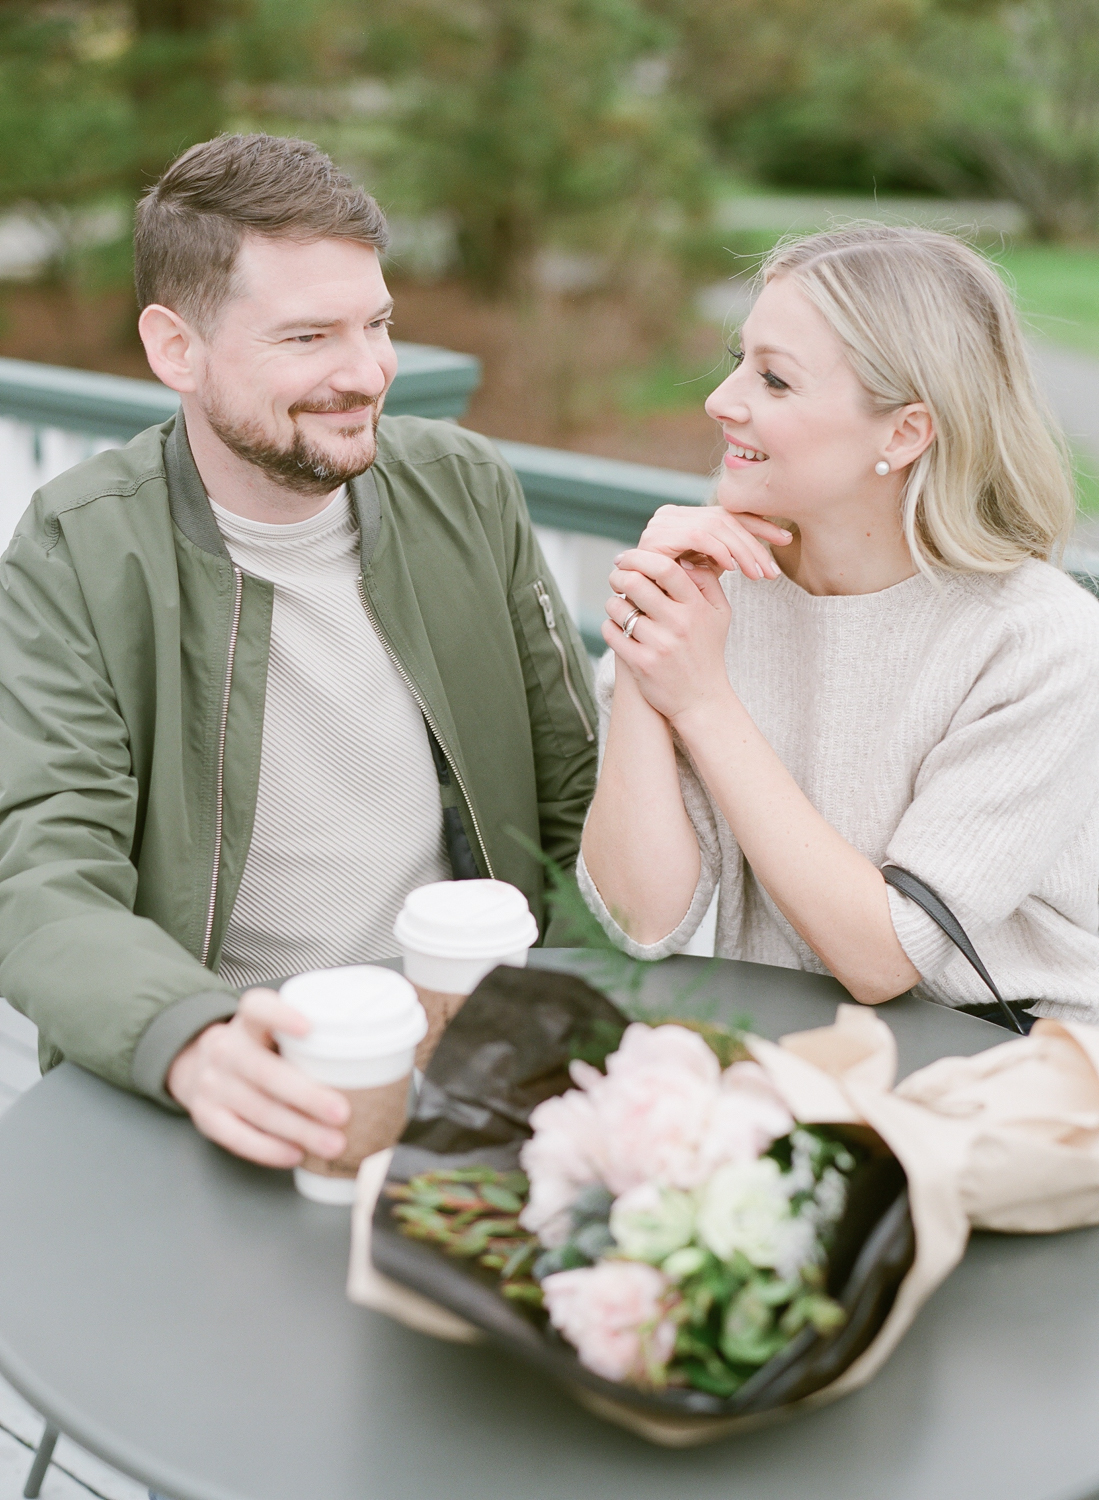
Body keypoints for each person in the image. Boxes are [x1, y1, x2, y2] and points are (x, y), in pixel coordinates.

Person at [0, 133, 596, 1169]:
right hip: (233, 1065)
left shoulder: (464, 486)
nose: (365, 373)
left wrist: (585, 1024)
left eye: (377, 324)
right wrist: (189, 1038)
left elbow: (575, 797)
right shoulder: (79, 546)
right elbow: (41, 873)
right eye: (309, 336)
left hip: (480, 1054)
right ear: (174, 348)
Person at [581, 224, 1099, 1025]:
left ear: (902, 433)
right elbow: (641, 919)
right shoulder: (716, 597)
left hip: (1008, 1076)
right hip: (798, 1066)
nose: (721, 402)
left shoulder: (1039, 642)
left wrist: (701, 701)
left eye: (775, 382)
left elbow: (886, 956)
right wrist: (650, 644)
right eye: (737, 362)